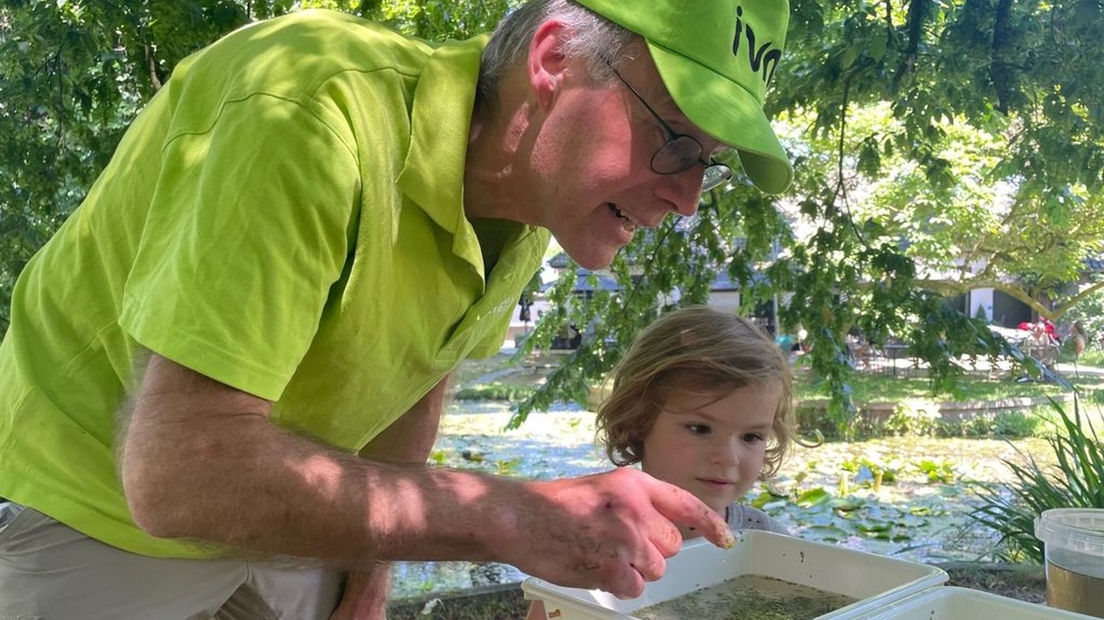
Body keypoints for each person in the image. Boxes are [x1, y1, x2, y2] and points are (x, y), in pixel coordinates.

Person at [0, 0, 793, 618]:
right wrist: (510, 517)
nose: (686, 199)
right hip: (89, 518)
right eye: (676, 142)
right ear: (554, 58)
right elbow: (180, 477)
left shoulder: (527, 206)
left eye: (708, 166)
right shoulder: (308, 108)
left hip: (288, 522)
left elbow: (418, 375)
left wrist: (370, 576)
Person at [527, 306, 797, 620]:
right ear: (640, 421)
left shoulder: (767, 542)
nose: (728, 456)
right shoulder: (597, 540)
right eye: (700, 429)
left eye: (751, 437)